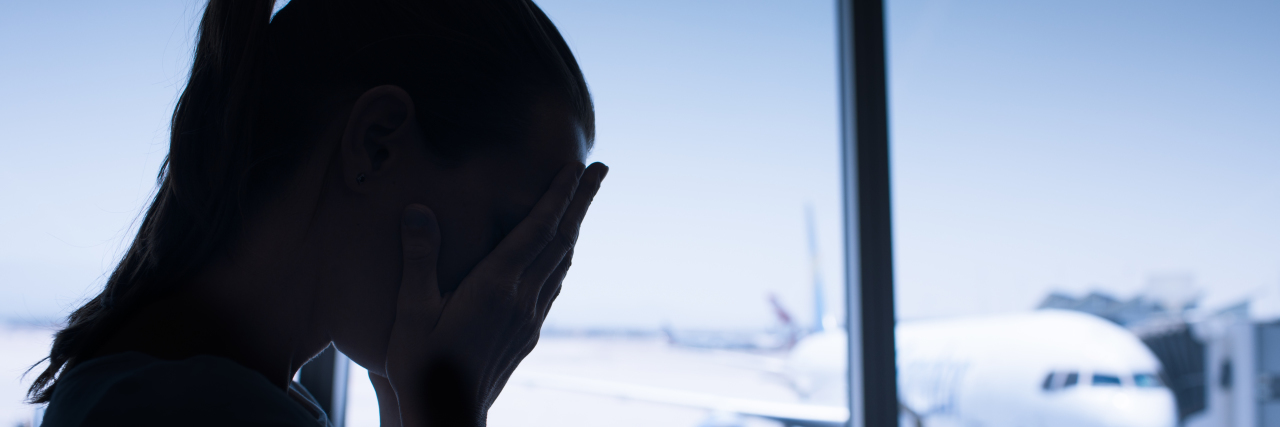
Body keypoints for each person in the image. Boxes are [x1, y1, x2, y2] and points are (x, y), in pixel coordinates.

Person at [28, 0, 606, 426]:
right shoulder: (194, 411)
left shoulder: (176, 384)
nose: (512, 297)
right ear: (376, 145)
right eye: (511, 234)